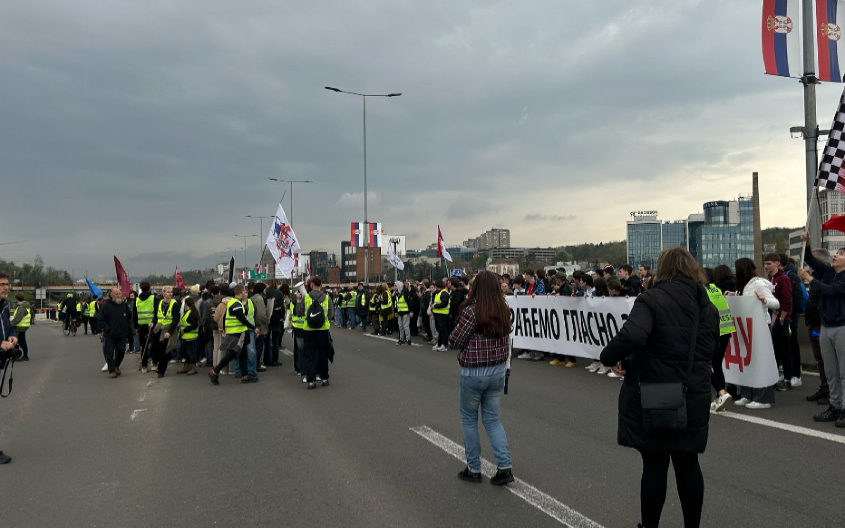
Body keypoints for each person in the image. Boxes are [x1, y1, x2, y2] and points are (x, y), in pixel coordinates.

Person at [600, 248, 718, 528]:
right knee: (688, 462)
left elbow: (634, 334)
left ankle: (649, 525)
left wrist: (610, 356)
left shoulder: (652, 298)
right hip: (695, 391)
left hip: (659, 391)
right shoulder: (708, 304)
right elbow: (713, 347)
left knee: (655, 464)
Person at [449, 271, 514, 485]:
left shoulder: (471, 311)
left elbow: (455, 340)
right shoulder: (503, 308)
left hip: (474, 372)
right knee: (493, 419)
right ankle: (505, 467)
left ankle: (474, 468)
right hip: (497, 371)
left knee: (469, 419)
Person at [798, 232, 845, 427]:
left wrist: (808, 278)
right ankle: (835, 406)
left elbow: (831, 291)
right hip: (825, 326)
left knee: (844, 372)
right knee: (831, 370)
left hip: (842, 326)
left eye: (841, 253)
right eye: (837, 252)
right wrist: (807, 243)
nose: (836, 255)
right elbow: (810, 259)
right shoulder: (828, 273)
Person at [731, 258, 779, 410]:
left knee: (760, 363)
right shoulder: (745, 285)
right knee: (748, 362)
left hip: (760, 325)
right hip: (747, 327)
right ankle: (748, 394)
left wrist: (764, 300)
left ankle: (763, 398)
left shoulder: (758, 283)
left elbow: (776, 303)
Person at [209, 285, 256, 385]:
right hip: (236, 334)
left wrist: (225, 329)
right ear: (240, 292)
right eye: (244, 291)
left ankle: (245, 376)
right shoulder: (236, 304)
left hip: (237, 332)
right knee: (233, 355)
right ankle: (215, 371)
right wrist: (253, 328)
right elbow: (242, 319)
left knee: (242, 354)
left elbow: (225, 317)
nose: (245, 292)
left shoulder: (232, 302)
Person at [294, 277, 333, 389]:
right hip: (323, 329)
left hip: (308, 330)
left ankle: (311, 381)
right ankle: (324, 378)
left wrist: (298, 300)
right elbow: (330, 314)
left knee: (310, 355)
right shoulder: (326, 298)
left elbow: (299, 312)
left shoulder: (306, 298)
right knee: (323, 354)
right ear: (321, 285)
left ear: (311, 285)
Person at [763, 253, 794, 392]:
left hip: (781, 318)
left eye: (769, 263)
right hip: (772, 316)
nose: (766, 266)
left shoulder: (783, 279)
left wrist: (782, 317)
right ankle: (775, 376)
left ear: (777, 263)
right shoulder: (770, 278)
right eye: (765, 263)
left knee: (784, 349)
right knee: (775, 348)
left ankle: (788, 379)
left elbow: (787, 300)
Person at [804, 248, 831, 405]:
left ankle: (829, 390)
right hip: (814, 324)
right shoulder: (816, 276)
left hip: (822, 324)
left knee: (826, 358)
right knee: (819, 358)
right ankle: (824, 386)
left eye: (814, 260)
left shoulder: (828, 276)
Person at [704, 281, 734, 412]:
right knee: (716, 365)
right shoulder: (715, 288)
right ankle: (720, 396)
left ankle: (721, 392)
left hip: (713, 332)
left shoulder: (701, 292)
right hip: (726, 330)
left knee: (704, 364)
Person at [0, 273, 19, 464]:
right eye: (2, 284)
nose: (6, 287)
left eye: (7, 284)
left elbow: (8, 327)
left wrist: (12, 336)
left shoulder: (4, 306)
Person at [97, 288, 133, 379]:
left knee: (121, 351)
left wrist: (127, 326)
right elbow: (101, 319)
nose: (119, 295)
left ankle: (117, 365)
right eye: (116, 294)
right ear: (111, 295)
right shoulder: (106, 306)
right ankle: (112, 370)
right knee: (109, 353)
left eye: (119, 293)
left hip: (122, 333)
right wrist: (106, 328)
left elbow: (129, 316)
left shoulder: (124, 305)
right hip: (110, 334)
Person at [150, 286, 179, 378]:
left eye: (171, 292)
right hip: (158, 328)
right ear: (163, 293)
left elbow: (175, 320)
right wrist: (152, 322)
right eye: (168, 292)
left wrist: (169, 332)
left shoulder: (174, 304)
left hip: (167, 329)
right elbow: (156, 315)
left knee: (164, 351)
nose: (170, 294)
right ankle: (156, 363)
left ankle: (161, 370)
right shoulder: (159, 303)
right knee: (156, 349)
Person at [176, 297, 200, 375]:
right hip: (185, 336)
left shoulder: (190, 313)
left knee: (190, 352)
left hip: (188, 336)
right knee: (186, 352)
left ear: (186, 304)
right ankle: (187, 366)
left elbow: (194, 325)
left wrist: (184, 330)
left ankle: (193, 367)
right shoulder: (190, 312)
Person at [135, 282, 156, 373]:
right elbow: (156, 311)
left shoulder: (137, 300)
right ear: (149, 288)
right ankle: (154, 363)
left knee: (144, 346)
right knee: (154, 344)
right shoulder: (153, 298)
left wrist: (136, 326)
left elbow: (134, 315)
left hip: (141, 325)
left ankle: (144, 366)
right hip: (152, 324)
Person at [432, 279, 451, 352]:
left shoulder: (444, 293)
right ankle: (439, 344)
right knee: (439, 329)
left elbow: (444, 303)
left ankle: (444, 345)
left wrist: (435, 306)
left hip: (443, 314)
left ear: (437, 286)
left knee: (443, 330)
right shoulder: (438, 293)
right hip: (437, 313)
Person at [11, 293, 31, 361]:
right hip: (23, 326)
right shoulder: (25, 306)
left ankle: (22, 356)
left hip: (19, 327)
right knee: (18, 341)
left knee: (20, 342)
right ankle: (19, 355)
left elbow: (17, 318)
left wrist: (10, 324)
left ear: (17, 299)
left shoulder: (21, 307)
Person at [394, 281, 412, 346]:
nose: (394, 287)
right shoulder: (397, 294)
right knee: (400, 326)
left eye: (396, 286)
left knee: (405, 326)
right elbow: (396, 304)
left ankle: (408, 339)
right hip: (400, 312)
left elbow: (409, 302)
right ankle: (401, 339)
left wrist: (410, 311)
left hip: (405, 312)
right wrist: (396, 311)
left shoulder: (405, 293)